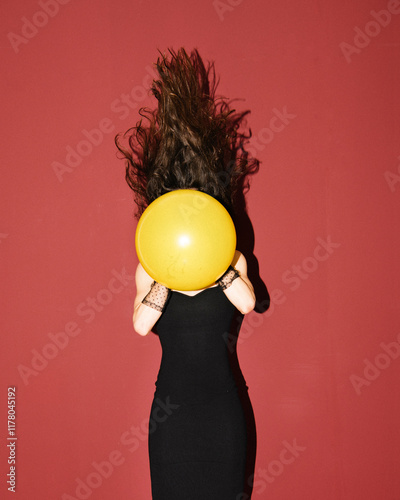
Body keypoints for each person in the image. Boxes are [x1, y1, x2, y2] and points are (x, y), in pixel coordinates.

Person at [115, 47, 257, 500]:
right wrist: (164, 269)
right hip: (171, 413)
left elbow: (250, 303)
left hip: (221, 410)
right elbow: (140, 325)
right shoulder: (148, 266)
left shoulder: (232, 259)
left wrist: (214, 262)